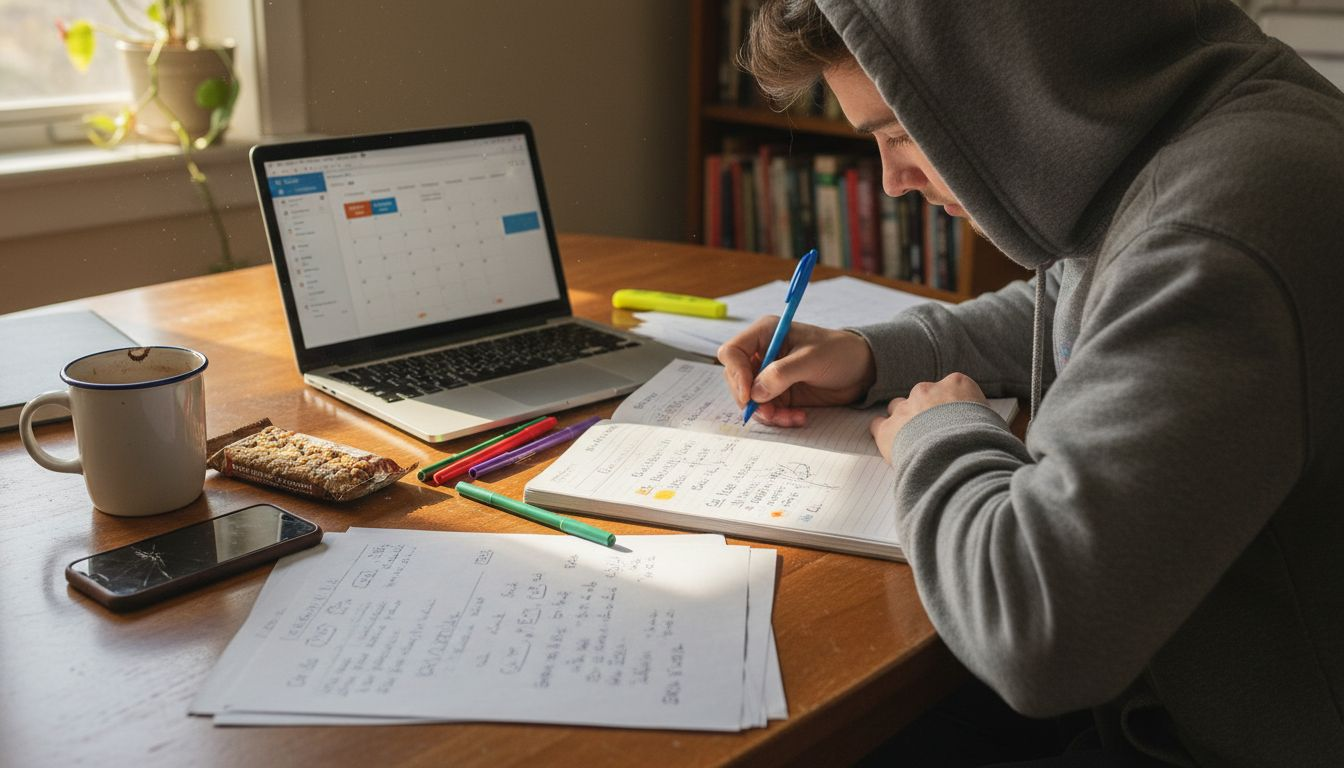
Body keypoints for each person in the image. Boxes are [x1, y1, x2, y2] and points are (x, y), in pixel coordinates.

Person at [718, 1, 1344, 766]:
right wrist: (874, 357)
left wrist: (938, 434)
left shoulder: (1221, 230)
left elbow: (1040, 634)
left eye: (902, 131)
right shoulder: (1195, 120)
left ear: (1006, 80)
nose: (891, 182)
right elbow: (1113, 302)